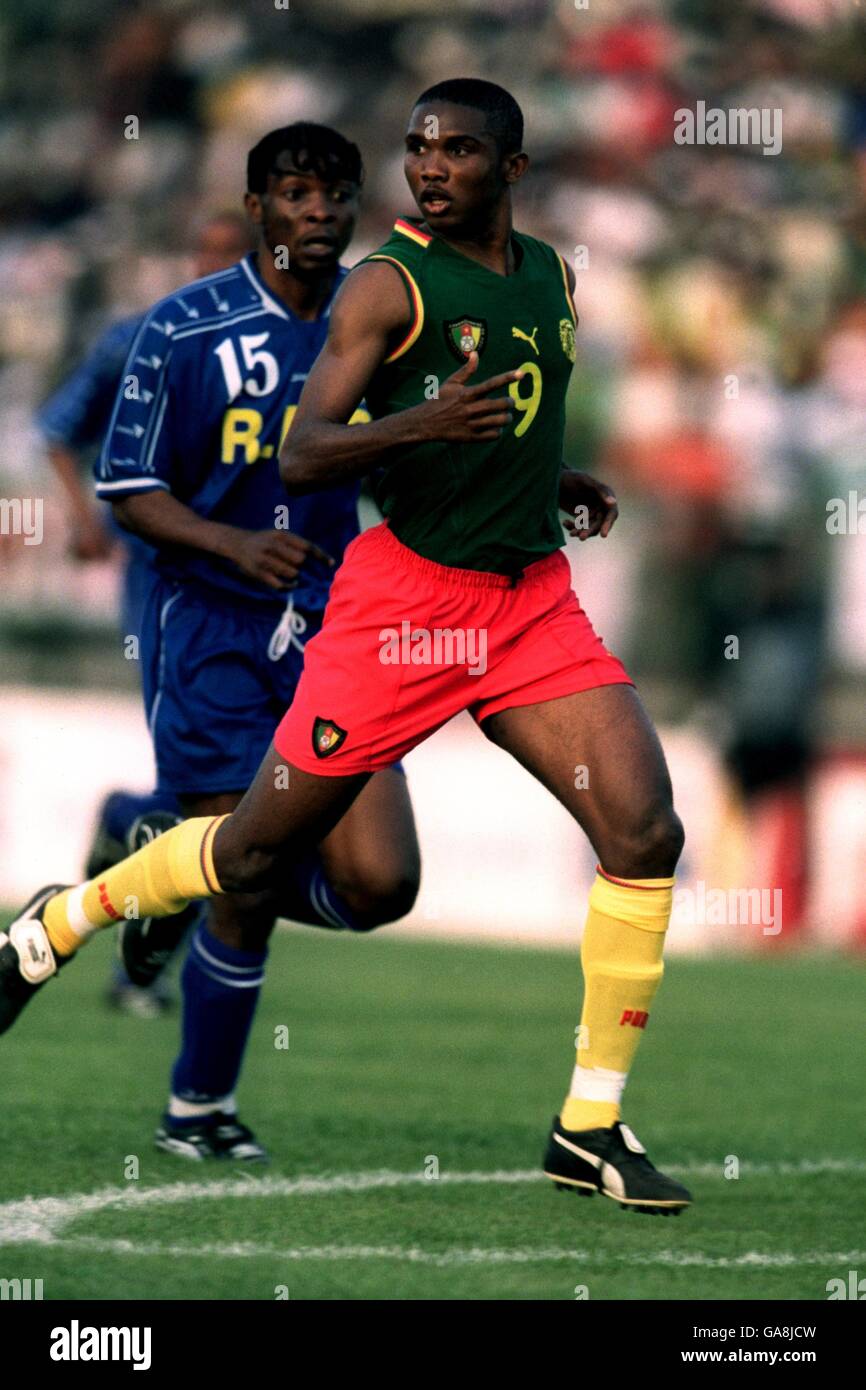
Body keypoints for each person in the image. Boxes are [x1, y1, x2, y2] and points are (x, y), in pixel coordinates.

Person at [3, 82, 688, 1212]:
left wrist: (551, 479)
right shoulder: (385, 286)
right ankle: (65, 922)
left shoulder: (551, 277)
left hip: (527, 604)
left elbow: (505, 420)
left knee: (643, 830)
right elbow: (304, 452)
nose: (429, 166)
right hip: (401, 611)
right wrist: (425, 423)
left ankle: (588, 1125)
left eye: (456, 149)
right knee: (248, 856)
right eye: (417, 147)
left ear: (512, 169)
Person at [15, 123, 421, 1162]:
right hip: (208, 624)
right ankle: (198, 1109)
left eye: (336, 195)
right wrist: (232, 544)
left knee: (381, 884)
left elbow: (394, 466)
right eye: (296, 193)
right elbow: (127, 487)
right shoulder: (176, 329)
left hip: (336, 625)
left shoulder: (375, 322)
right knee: (247, 878)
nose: (319, 212)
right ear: (257, 208)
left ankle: (157, 867)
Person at [37, 210, 253, 1016]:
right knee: (204, 786)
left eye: (234, 255)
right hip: (166, 587)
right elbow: (59, 430)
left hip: (260, 595)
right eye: (209, 252)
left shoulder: (291, 347)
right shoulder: (141, 339)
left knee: (230, 788)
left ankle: (124, 821)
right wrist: (85, 521)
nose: (218, 268)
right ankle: (139, 974)